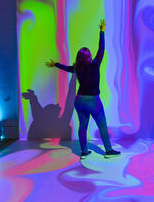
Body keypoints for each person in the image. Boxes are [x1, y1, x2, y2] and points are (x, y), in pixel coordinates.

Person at [45, 19, 120, 159]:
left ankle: (84, 152)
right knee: (102, 125)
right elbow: (101, 49)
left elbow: (67, 68)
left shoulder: (77, 68)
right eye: (90, 54)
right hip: (93, 101)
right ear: (89, 56)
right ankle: (108, 151)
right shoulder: (95, 64)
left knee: (82, 127)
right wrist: (102, 32)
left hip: (79, 101)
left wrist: (55, 64)